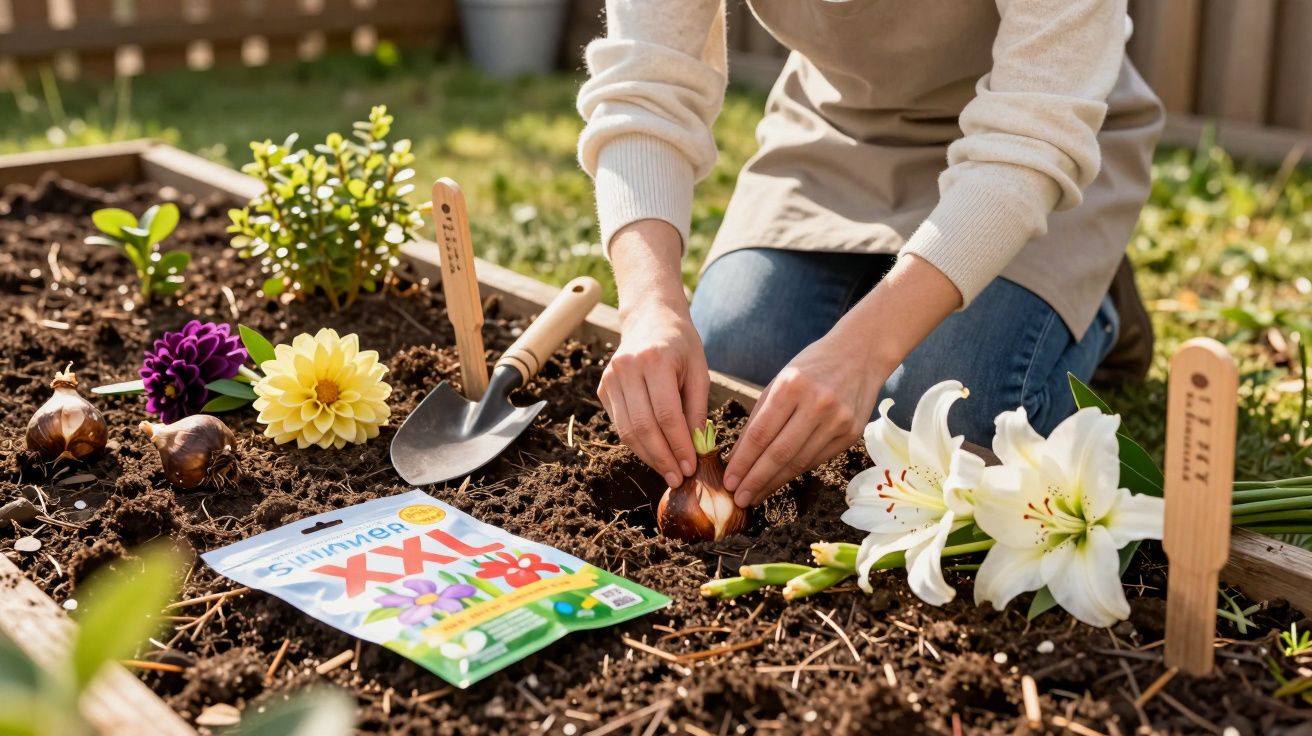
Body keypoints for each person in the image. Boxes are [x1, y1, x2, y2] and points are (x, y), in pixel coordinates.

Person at [576, 1, 1163, 510]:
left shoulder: (1038, 130)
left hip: (1038, 151)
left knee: (944, 426)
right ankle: (904, 291)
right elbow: (643, 87)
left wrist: (863, 353)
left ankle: (1097, 300)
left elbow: (1033, 136)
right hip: (841, 133)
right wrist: (649, 305)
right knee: (735, 360)